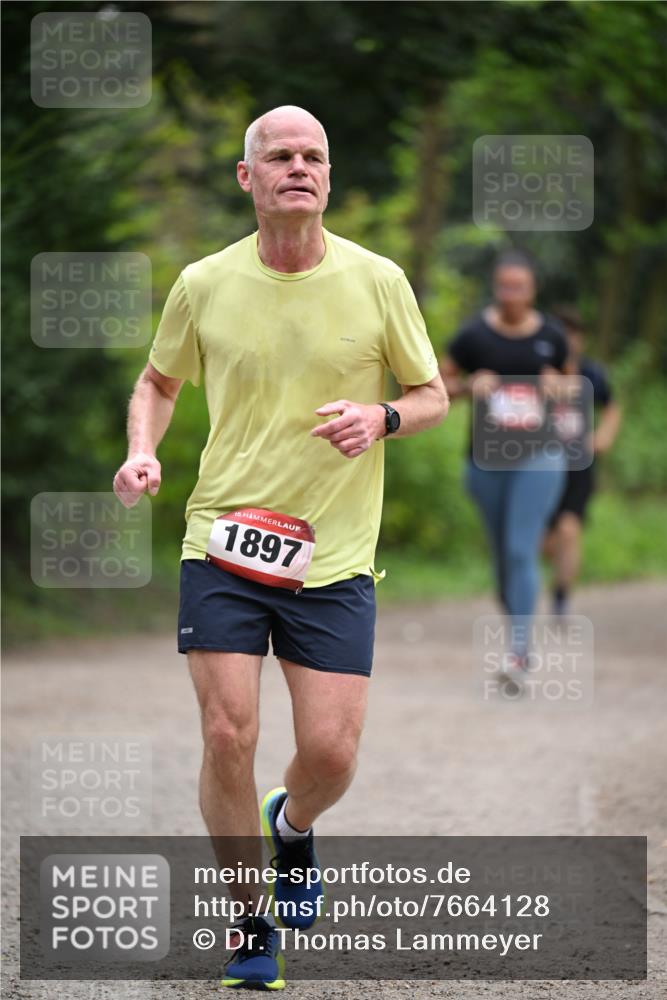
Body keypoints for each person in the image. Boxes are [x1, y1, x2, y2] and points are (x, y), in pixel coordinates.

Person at [113, 105, 448, 990]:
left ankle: (291, 824)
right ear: (247, 177)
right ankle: (250, 924)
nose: (298, 167)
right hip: (221, 541)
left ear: (327, 178)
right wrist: (142, 451)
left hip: (331, 555)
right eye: (280, 156)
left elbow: (430, 395)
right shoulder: (203, 282)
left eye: (313, 157)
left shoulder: (378, 280)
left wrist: (380, 418)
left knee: (332, 752)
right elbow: (157, 380)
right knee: (228, 731)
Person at [440, 251, 569, 689]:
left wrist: (558, 386)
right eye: (504, 286)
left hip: (540, 455)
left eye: (519, 286)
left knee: (520, 549)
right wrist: (467, 386)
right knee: (502, 558)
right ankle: (518, 628)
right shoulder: (474, 336)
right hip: (486, 461)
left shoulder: (552, 335)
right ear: (496, 287)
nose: (511, 294)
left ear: (533, 289)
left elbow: (572, 385)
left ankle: (518, 653)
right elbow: (435, 387)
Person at [543, 305, 622, 615]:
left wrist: (603, 437)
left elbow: (612, 408)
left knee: (569, 529)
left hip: (578, 465)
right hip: (539, 463)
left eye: (571, 336)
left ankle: (561, 595)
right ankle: (558, 571)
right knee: (544, 541)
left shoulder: (593, 374)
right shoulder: (537, 371)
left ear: (580, 340)